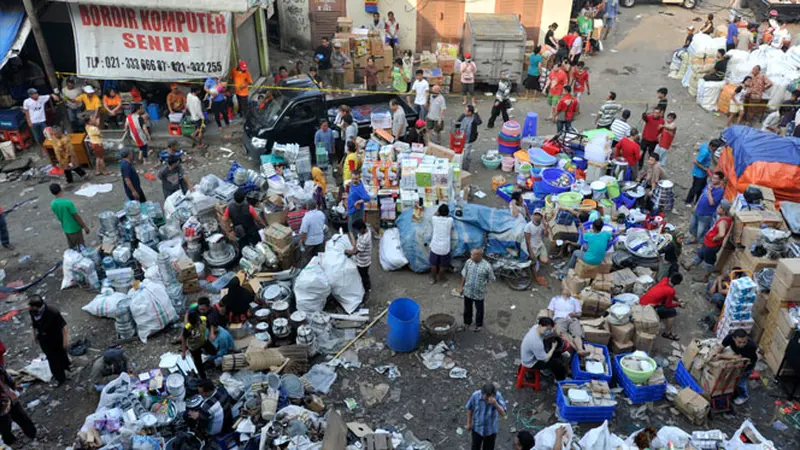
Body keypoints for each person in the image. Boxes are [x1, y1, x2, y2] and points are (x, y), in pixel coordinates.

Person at [683, 200, 732, 281]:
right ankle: (688, 265)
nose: (717, 208)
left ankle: (705, 277)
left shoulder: (723, 222)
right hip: (708, 243)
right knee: (700, 254)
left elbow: (721, 234)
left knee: (709, 263)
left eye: (719, 207)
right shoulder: (725, 218)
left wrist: (714, 238)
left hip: (711, 246)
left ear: (723, 211)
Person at [28, 295, 70, 387]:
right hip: (44, 339)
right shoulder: (33, 312)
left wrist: (65, 340)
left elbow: (63, 326)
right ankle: (60, 377)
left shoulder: (52, 312)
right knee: (52, 359)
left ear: (37, 306)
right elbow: (34, 324)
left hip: (56, 337)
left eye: (31, 306)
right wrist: (34, 335)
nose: (29, 308)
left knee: (61, 353)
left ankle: (66, 367)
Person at [713, 329, 758, 405]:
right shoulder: (729, 337)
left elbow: (738, 358)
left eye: (744, 342)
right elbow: (721, 347)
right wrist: (714, 354)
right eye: (739, 342)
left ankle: (744, 396)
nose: (742, 344)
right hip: (738, 357)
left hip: (747, 364)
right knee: (732, 377)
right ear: (733, 339)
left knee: (741, 382)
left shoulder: (751, 346)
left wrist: (720, 356)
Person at [459, 247, 495, 332]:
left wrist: (484, 285)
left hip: (479, 292)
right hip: (468, 290)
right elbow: (464, 274)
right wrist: (461, 287)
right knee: (467, 308)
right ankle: (467, 323)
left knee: (479, 309)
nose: (471, 256)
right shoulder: (468, 262)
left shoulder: (487, 266)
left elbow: (492, 279)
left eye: (473, 254)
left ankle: (479, 325)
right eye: (471, 254)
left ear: (479, 256)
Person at [0, 362, 37, 445]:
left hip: (8, 396)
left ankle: (32, 434)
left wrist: (13, 385)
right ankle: (10, 441)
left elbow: (4, 374)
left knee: (21, 415)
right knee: (5, 424)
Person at [639, 274, 684, 341]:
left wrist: (677, 299)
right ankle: (667, 333)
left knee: (664, 301)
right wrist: (678, 304)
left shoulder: (665, 279)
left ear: (670, 278)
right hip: (647, 307)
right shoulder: (671, 291)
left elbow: (668, 294)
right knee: (672, 312)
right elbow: (668, 305)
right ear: (679, 283)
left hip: (642, 301)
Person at [465, 383, 506, 450]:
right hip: (477, 428)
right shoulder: (475, 395)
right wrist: (468, 423)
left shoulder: (498, 396)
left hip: (491, 430)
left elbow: (504, 414)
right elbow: (469, 408)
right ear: (482, 393)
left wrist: (496, 404)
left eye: (489, 398)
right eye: (486, 398)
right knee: (475, 447)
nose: (487, 401)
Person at [687, 171, 725, 245]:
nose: (713, 179)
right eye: (712, 177)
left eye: (715, 178)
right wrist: (696, 205)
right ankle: (694, 239)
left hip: (706, 214)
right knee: (692, 226)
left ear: (720, 180)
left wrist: (709, 191)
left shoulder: (720, 191)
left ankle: (700, 245)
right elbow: (702, 195)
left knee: (701, 231)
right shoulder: (709, 184)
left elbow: (712, 203)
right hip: (698, 210)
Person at [548, 289, 588, 355]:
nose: (566, 291)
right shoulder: (555, 299)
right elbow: (550, 310)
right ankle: (577, 349)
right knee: (562, 333)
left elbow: (579, 314)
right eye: (564, 289)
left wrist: (574, 315)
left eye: (568, 290)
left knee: (577, 334)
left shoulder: (574, 300)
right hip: (560, 318)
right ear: (560, 292)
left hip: (572, 318)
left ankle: (580, 349)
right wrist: (551, 322)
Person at [50, 183, 89, 250]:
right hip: (75, 228)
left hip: (66, 228)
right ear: (61, 190)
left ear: (52, 193)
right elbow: (76, 216)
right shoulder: (67, 203)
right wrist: (84, 227)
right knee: (81, 247)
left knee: (72, 246)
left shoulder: (53, 204)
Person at [182, 309, 217, 380]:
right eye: (193, 324)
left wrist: (211, 333)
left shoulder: (203, 319)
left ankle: (210, 361)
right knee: (198, 363)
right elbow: (183, 338)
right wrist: (183, 352)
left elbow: (210, 325)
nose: (195, 325)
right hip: (194, 346)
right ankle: (203, 378)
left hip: (203, 341)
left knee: (213, 351)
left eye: (196, 323)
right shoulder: (188, 328)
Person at [685, 139, 719, 206]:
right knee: (695, 188)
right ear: (713, 147)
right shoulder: (705, 152)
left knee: (702, 187)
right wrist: (705, 169)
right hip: (699, 174)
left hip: (703, 174)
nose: (716, 149)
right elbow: (695, 161)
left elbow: (698, 149)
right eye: (716, 148)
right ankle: (688, 201)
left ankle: (697, 201)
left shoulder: (706, 144)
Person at [346, 218, 372, 296]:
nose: (357, 232)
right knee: (364, 274)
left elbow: (356, 252)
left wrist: (347, 251)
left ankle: (367, 289)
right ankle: (366, 286)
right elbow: (357, 241)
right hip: (362, 259)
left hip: (363, 262)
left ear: (361, 229)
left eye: (357, 230)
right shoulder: (365, 230)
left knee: (364, 275)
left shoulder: (365, 238)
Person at [525, 209, 550, 286]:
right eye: (536, 215)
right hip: (533, 246)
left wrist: (546, 227)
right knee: (533, 263)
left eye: (539, 215)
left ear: (541, 217)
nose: (537, 217)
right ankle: (536, 277)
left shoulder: (542, 225)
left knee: (545, 261)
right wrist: (531, 252)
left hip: (540, 244)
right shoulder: (528, 226)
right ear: (533, 216)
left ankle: (537, 260)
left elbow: (546, 235)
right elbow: (527, 241)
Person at [430, 204, 454, 285]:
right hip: (445, 248)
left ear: (439, 212)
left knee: (433, 265)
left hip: (435, 247)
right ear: (447, 213)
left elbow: (434, 214)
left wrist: (438, 212)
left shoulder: (434, 219)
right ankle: (441, 278)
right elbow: (452, 227)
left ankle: (433, 279)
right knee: (442, 266)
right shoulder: (450, 220)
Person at [456, 105, 482, 171]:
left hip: (469, 140)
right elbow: (457, 123)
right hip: (460, 138)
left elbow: (479, 122)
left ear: (470, 112)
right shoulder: (463, 116)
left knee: (465, 155)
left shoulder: (474, 118)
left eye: (466, 111)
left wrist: (476, 113)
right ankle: (464, 163)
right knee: (459, 153)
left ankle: (465, 169)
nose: (465, 112)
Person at [300, 200, 326, 265]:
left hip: (310, 242)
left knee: (308, 260)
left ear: (307, 207)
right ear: (316, 206)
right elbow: (323, 225)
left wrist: (302, 241)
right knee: (319, 258)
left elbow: (304, 232)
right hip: (320, 240)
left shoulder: (306, 218)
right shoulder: (321, 214)